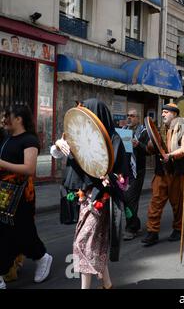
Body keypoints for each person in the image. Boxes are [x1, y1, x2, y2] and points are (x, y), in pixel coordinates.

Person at [68, 99, 129, 289]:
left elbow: (120, 175)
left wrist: (108, 177)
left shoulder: (115, 139)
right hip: (85, 198)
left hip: (103, 199)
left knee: (83, 242)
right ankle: (107, 283)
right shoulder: (83, 138)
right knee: (96, 242)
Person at [0, 105, 53, 289]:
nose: (5, 119)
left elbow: (29, 169)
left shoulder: (29, 140)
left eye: (8, 116)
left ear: (19, 119)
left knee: (18, 231)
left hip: (21, 196)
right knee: (15, 232)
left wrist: (1, 164)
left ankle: (41, 257)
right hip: (4, 194)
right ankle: (40, 257)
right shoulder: (7, 138)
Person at [141, 103, 184, 246]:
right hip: (160, 172)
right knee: (155, 203)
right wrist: (150, 144)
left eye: (165, 112)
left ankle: (177, 229)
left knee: (178, 204)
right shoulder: (159, 128)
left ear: (174, 114)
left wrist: (170, 155)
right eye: (162, 112)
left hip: (177, 172)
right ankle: (152, 232)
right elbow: (152, 149)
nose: (162, 114)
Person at [122, 109, 148, 241]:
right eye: (128, 115)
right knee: (125, 199)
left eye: (132, 116)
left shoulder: (143, 131)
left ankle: (131, 228)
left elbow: (149, 150)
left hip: (138, 170)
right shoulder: (123, 130)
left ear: (138, 118)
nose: (129, 118)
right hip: (125, 170)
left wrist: (138, 145)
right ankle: (135, 223)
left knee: (130, 198)